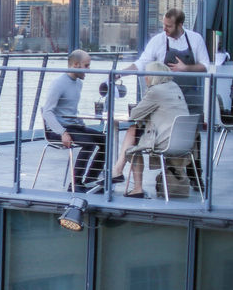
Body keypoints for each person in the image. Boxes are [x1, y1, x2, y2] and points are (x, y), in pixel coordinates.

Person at [117, 62, 191, 198]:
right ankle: (117, 171)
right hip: (184, 143)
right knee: (133, 130)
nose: (145, 77)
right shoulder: (175, 87)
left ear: (152, 76)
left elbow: (134, 115)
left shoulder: (156, 91)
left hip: (166, 143)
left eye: (146, 74)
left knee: (132, 146)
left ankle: (132, 184)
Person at [41, 49, 105, 191]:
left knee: (105, 140)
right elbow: (47, 112)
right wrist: (62, 132)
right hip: (58, 129)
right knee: (88, 144)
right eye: (86, 66)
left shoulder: (78, 83)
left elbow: (70, 110)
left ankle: (90, 180)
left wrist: (81, 124)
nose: (88, 70)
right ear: (76, 65)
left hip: (74, 126)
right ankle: (75, 184)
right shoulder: (58, 84)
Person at [129, 8, 209, 115]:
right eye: (164, 25)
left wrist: (185, 68)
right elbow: (142, 63)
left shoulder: (196, 39)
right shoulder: (158, 40)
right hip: (166, 100)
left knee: (193, 129)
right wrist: (120, 73)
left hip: (191, 98)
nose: (164, 29)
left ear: (180, 25)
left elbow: (205, 66)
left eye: (169, 26)